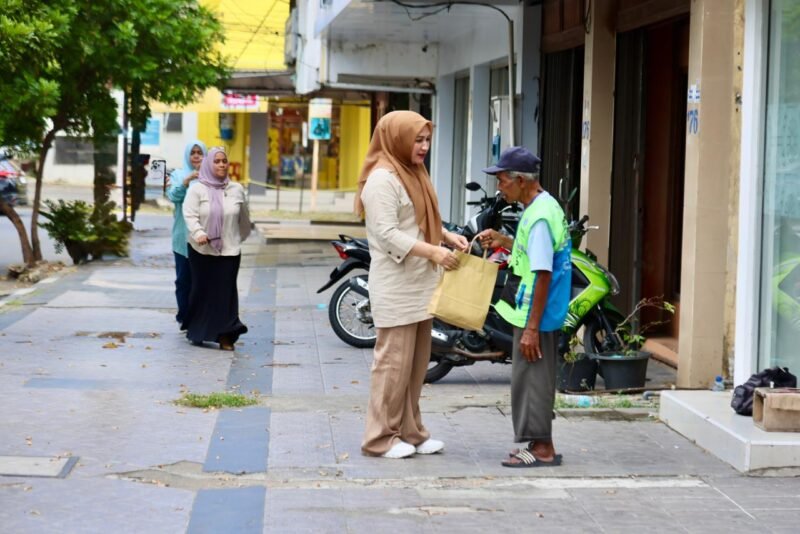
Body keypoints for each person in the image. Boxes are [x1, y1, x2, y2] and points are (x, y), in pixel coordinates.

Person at [357, 111, 469, 459]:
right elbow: (388, 234)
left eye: (426, 140)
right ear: (396, 139)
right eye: (417, 140)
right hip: (396, 284)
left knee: (417, 363)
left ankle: (411, 431)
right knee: (392, 365)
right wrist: (435, 252)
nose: (423, 147)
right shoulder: (382, 180)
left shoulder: (414, 173)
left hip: (421, 282)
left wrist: (447, 236)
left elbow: (418, 222)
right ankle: (380, 437)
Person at [477, 146, 572, 468]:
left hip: (539, 315)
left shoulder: (541, 216)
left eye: (502, 180)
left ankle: (543, 448)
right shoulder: (537, 207)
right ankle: (537, 442)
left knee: (534, 380)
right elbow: (533, 254)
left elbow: (543, 272)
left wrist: (532, 328)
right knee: (529, 378)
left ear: (519, 180)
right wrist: (504, 241)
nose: (499, 186)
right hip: (532, 310)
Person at [182, 147, 251, 351]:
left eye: (224, 161)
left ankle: (225, 335)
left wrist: (237, 238)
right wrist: (198, 233)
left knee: (226, 293)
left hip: (229, 251)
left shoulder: (236, 189)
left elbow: (244, 219)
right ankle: (197, 330)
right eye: (217, 161)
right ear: (208, 164)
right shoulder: (197, 189)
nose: (221, 164)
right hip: (201, 249)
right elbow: (190, 214)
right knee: (202, 291)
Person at [167, 140, 206, 326]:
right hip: (182, 238)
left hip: (204, 238)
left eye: (200, 152)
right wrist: (187, 180)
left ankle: (199, 317)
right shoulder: (178, 175)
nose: (196, 156)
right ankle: (184, 316)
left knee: (202, 281)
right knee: (183, 280)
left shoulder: (212, 176)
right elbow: (174, 196)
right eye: (193, 152)